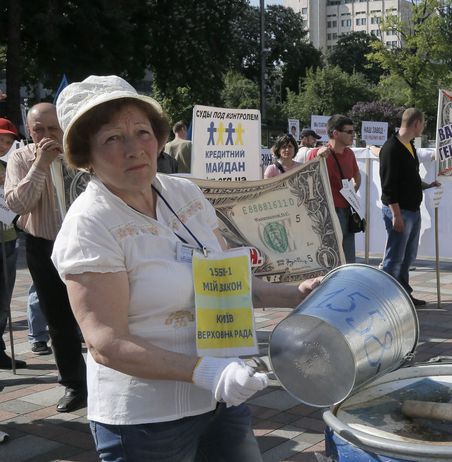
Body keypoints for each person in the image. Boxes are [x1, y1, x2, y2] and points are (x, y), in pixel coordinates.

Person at [51, 75, 322, 460]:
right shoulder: (90, 225)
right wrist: (210, 373)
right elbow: (106, 344)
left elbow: (229, 278)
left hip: (219, 401)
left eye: (142, 132)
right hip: (146, 420)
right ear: (86, 155)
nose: (134, 149)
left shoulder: (183, 193)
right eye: (112, 138)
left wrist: (297, 294)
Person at [5, 103, 87, 412]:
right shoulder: (20, 158)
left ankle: (113, 376)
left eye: (53, 128)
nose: (46, 135)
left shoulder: (80, 155)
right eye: (39, 129)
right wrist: (40, 164)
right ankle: (75, 385)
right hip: (44, 245)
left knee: (99, 313)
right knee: (58, 320)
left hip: (85, 244)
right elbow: (18, 203)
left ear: (64, 127)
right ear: (29, 130)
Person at [379, 108, 439, 307]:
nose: (423, 128)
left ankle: (403, 294)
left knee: (408, 256)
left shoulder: (409, 145)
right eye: (423, 124)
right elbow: (388, 186)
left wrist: (427, 185)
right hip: (400, 211)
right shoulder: (391, 148)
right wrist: (396, 215)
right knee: (394, 258)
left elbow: (410, 177)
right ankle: (385, 300)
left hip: (412, 210)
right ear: (416, 124)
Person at [307, 115, 361, 264]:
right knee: (330, 259)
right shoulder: (318, 153)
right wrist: (318, 155)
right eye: (349, 132)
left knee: (349, 258)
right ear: (335, 133)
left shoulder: (350, 154)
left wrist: (352, 192)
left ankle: (347, 284)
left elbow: (357, 176)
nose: (353, 135)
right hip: (327, 213)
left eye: (353, 131)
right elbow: (307, 181)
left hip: (347, 211)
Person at [0, 118, 26, 369]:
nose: (4, 144)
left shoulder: (12, 165)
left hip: (8, 236)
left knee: (4, 297)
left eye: (8, 140)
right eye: (0, 139)